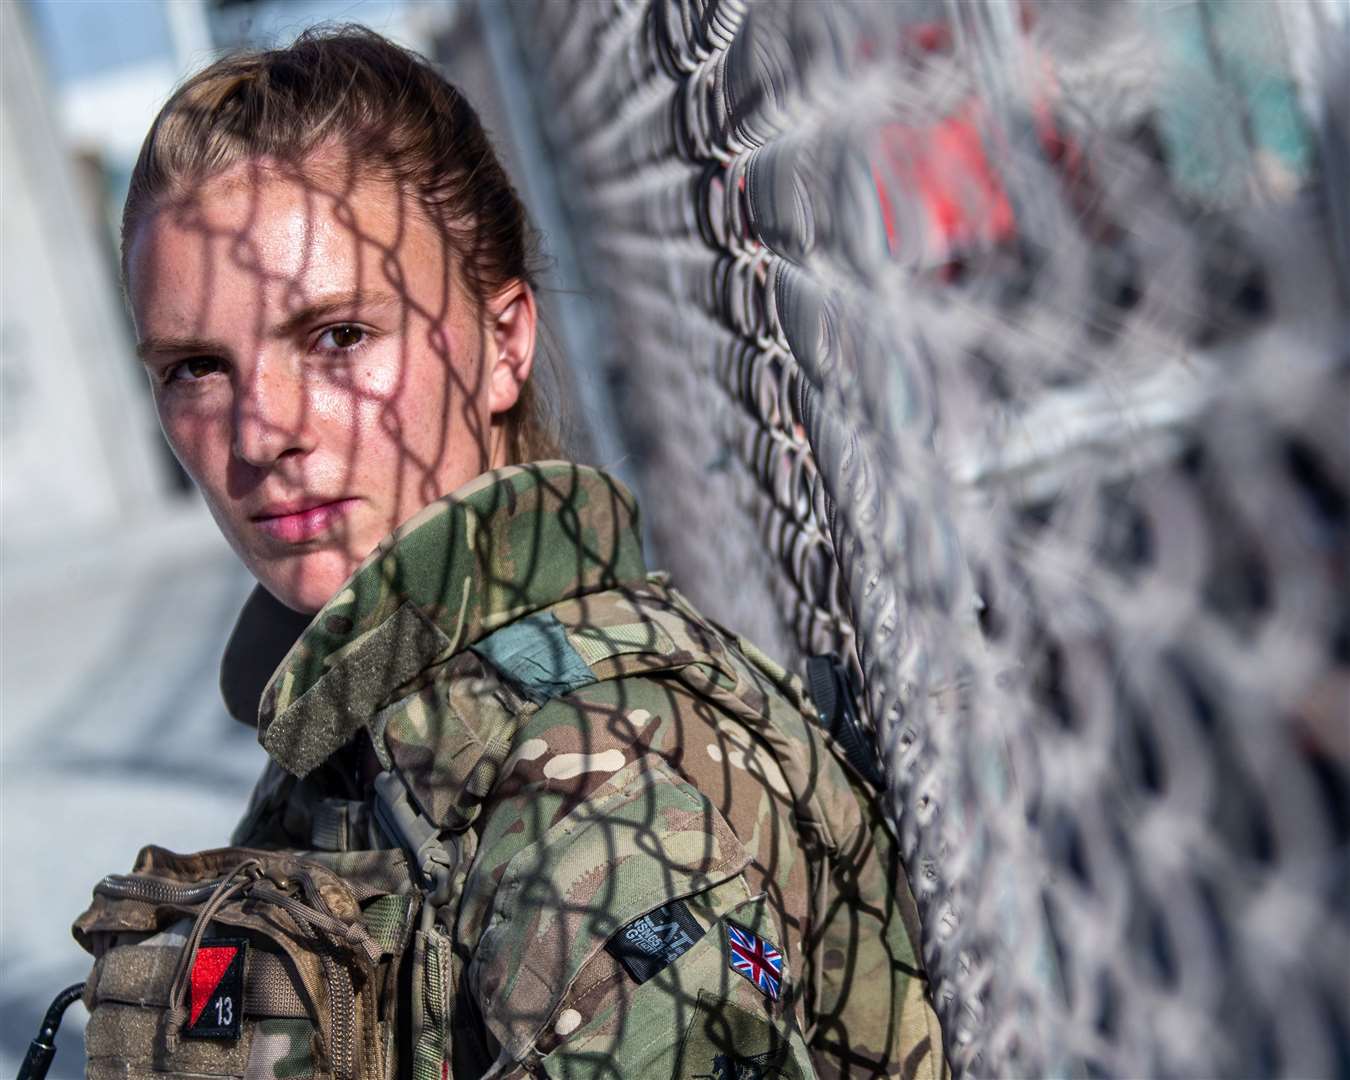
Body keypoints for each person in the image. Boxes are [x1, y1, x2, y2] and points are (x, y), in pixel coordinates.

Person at [72, 26, 946, 1080]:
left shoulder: (577, 777)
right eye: (197, 367)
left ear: (502, 343)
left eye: (337, 337)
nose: (262, 431)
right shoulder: (382, 717)